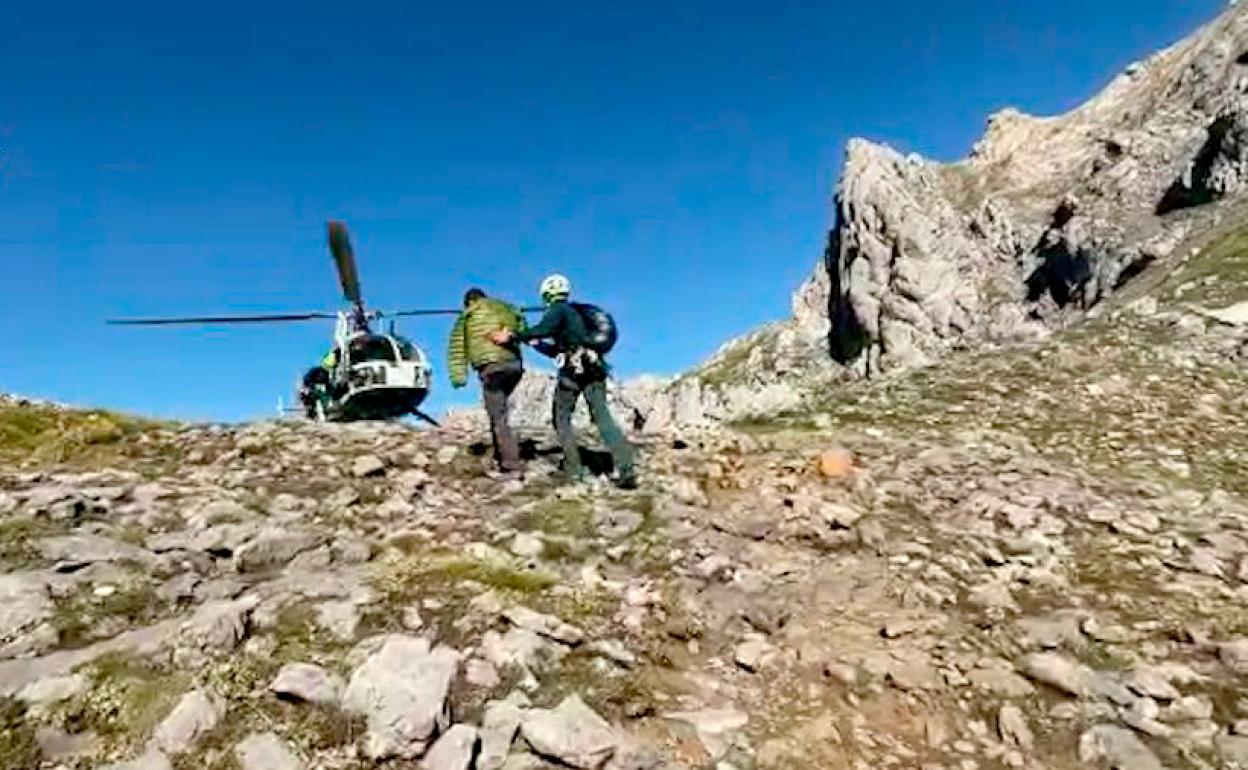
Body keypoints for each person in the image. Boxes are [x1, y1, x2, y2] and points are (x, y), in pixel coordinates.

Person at [492, 274, 637, 489]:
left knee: (561, 418)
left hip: (572, 372)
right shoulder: (575, 317)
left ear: (546, 295)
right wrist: (537, 344)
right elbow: (555, 349)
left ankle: (574, 469)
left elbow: (543, 330)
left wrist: (513, 336)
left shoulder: (558, 311)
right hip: (594, 367)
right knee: (602, 417)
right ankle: (626, 468)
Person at [448, 288, 527, 475]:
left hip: (491, 368)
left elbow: (457, 348)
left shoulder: (467, 316)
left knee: (497, 415)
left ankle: (511, 464)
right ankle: (501, 456)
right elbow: (523, 329)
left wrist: (459, 377)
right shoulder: (507, 308)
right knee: (498, 410)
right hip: (514, 366)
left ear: (468, 302)